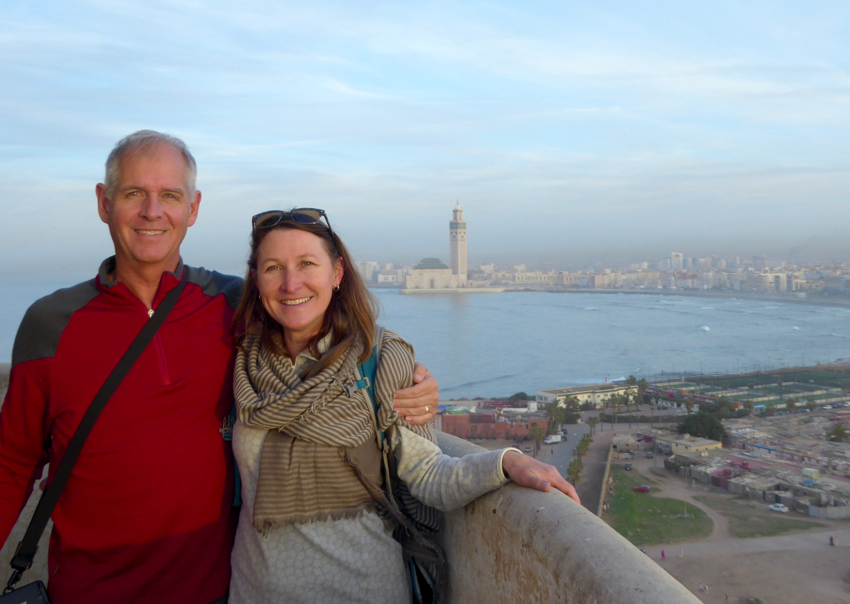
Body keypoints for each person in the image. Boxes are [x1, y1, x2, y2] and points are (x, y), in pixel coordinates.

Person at [0, 131, 439, 604]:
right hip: (88, 592)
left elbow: (331, 335)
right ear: (104, 203)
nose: (153, 211)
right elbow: (12, 461)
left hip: (213, 591)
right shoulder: (52, 324)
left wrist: (412, 379)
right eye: (133, 194)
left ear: (193, 208)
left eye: (170, 195)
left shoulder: (233, 305)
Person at [228, 208, 579, 603]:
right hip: (254, 590)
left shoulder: (379, 360)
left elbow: (427, 474)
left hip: (362, 589)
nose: (291, 283)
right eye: (273, 267)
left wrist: (505, 462)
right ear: (255, 279)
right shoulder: (241, 362)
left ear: (337, 273)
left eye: (307, 263)